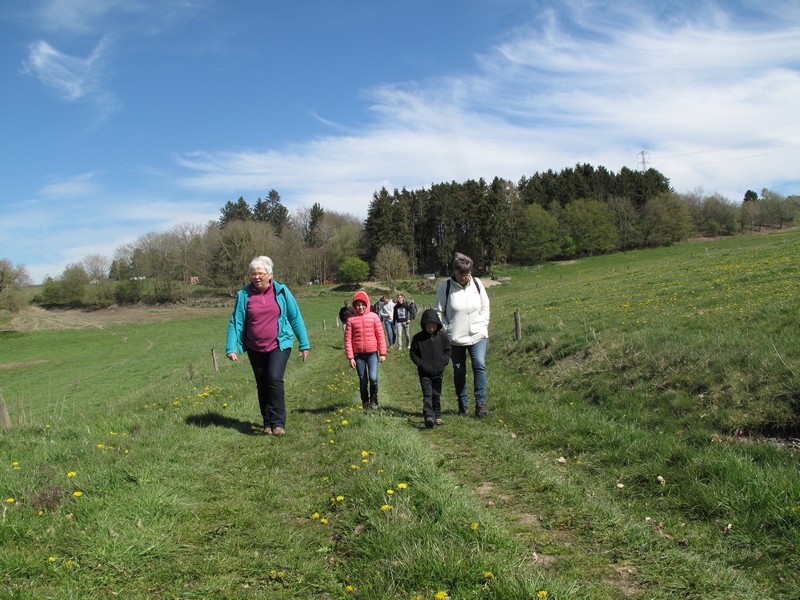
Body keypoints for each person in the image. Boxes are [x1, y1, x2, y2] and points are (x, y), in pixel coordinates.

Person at [226, 256, 310, 436]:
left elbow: (295, 317)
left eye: (260, 273)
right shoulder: (244, 295)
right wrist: (231, 347)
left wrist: (304, 344)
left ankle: (278, 423)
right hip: (254, 347)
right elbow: (236, 321)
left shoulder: (282, 292)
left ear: (270, 274)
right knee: (262, 383)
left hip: (280, 343)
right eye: (253, 274)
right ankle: (267, 422)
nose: (256, 277)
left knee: (274, 378)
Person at [434, 252, 490, 418]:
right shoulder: (446, 287)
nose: (464, 278)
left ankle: (481, 404)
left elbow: (485, 306)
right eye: (460, 275)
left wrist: (483, 324)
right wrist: (447, 329)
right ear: (454, 272)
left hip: (478, 335)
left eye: (467, 274)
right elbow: (438, 312)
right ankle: (462, 403)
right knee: (459, 370)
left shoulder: (477, 284)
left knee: (479, 364)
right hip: (455, 339)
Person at [344, 291, 387, 409]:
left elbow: (380, 336)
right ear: (354, 306)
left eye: (363, 304)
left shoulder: (374, 317)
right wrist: (350, 357)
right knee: (363, 380)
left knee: (373, 378)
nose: (360, 307)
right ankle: (365, 402)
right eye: (358, 305)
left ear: (367, 304)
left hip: (372, 354)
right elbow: (347, 339)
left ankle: (374, 398)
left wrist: (382, 353)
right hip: (358, 356)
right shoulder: (351, 320)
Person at [409, 309, 452, 428]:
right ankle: (428, 415)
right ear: (424, 325)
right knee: (427, 394)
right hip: (424, 373)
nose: (431, 329)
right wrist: (420, 364)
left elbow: (448, 350)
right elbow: (413, 353)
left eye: (433, 326)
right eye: (429, 326)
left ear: (437, 325)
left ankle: (437, 414)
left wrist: (444, 362)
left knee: (436, 394)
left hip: (438, 372)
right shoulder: (418, 338)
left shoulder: (442, 337)